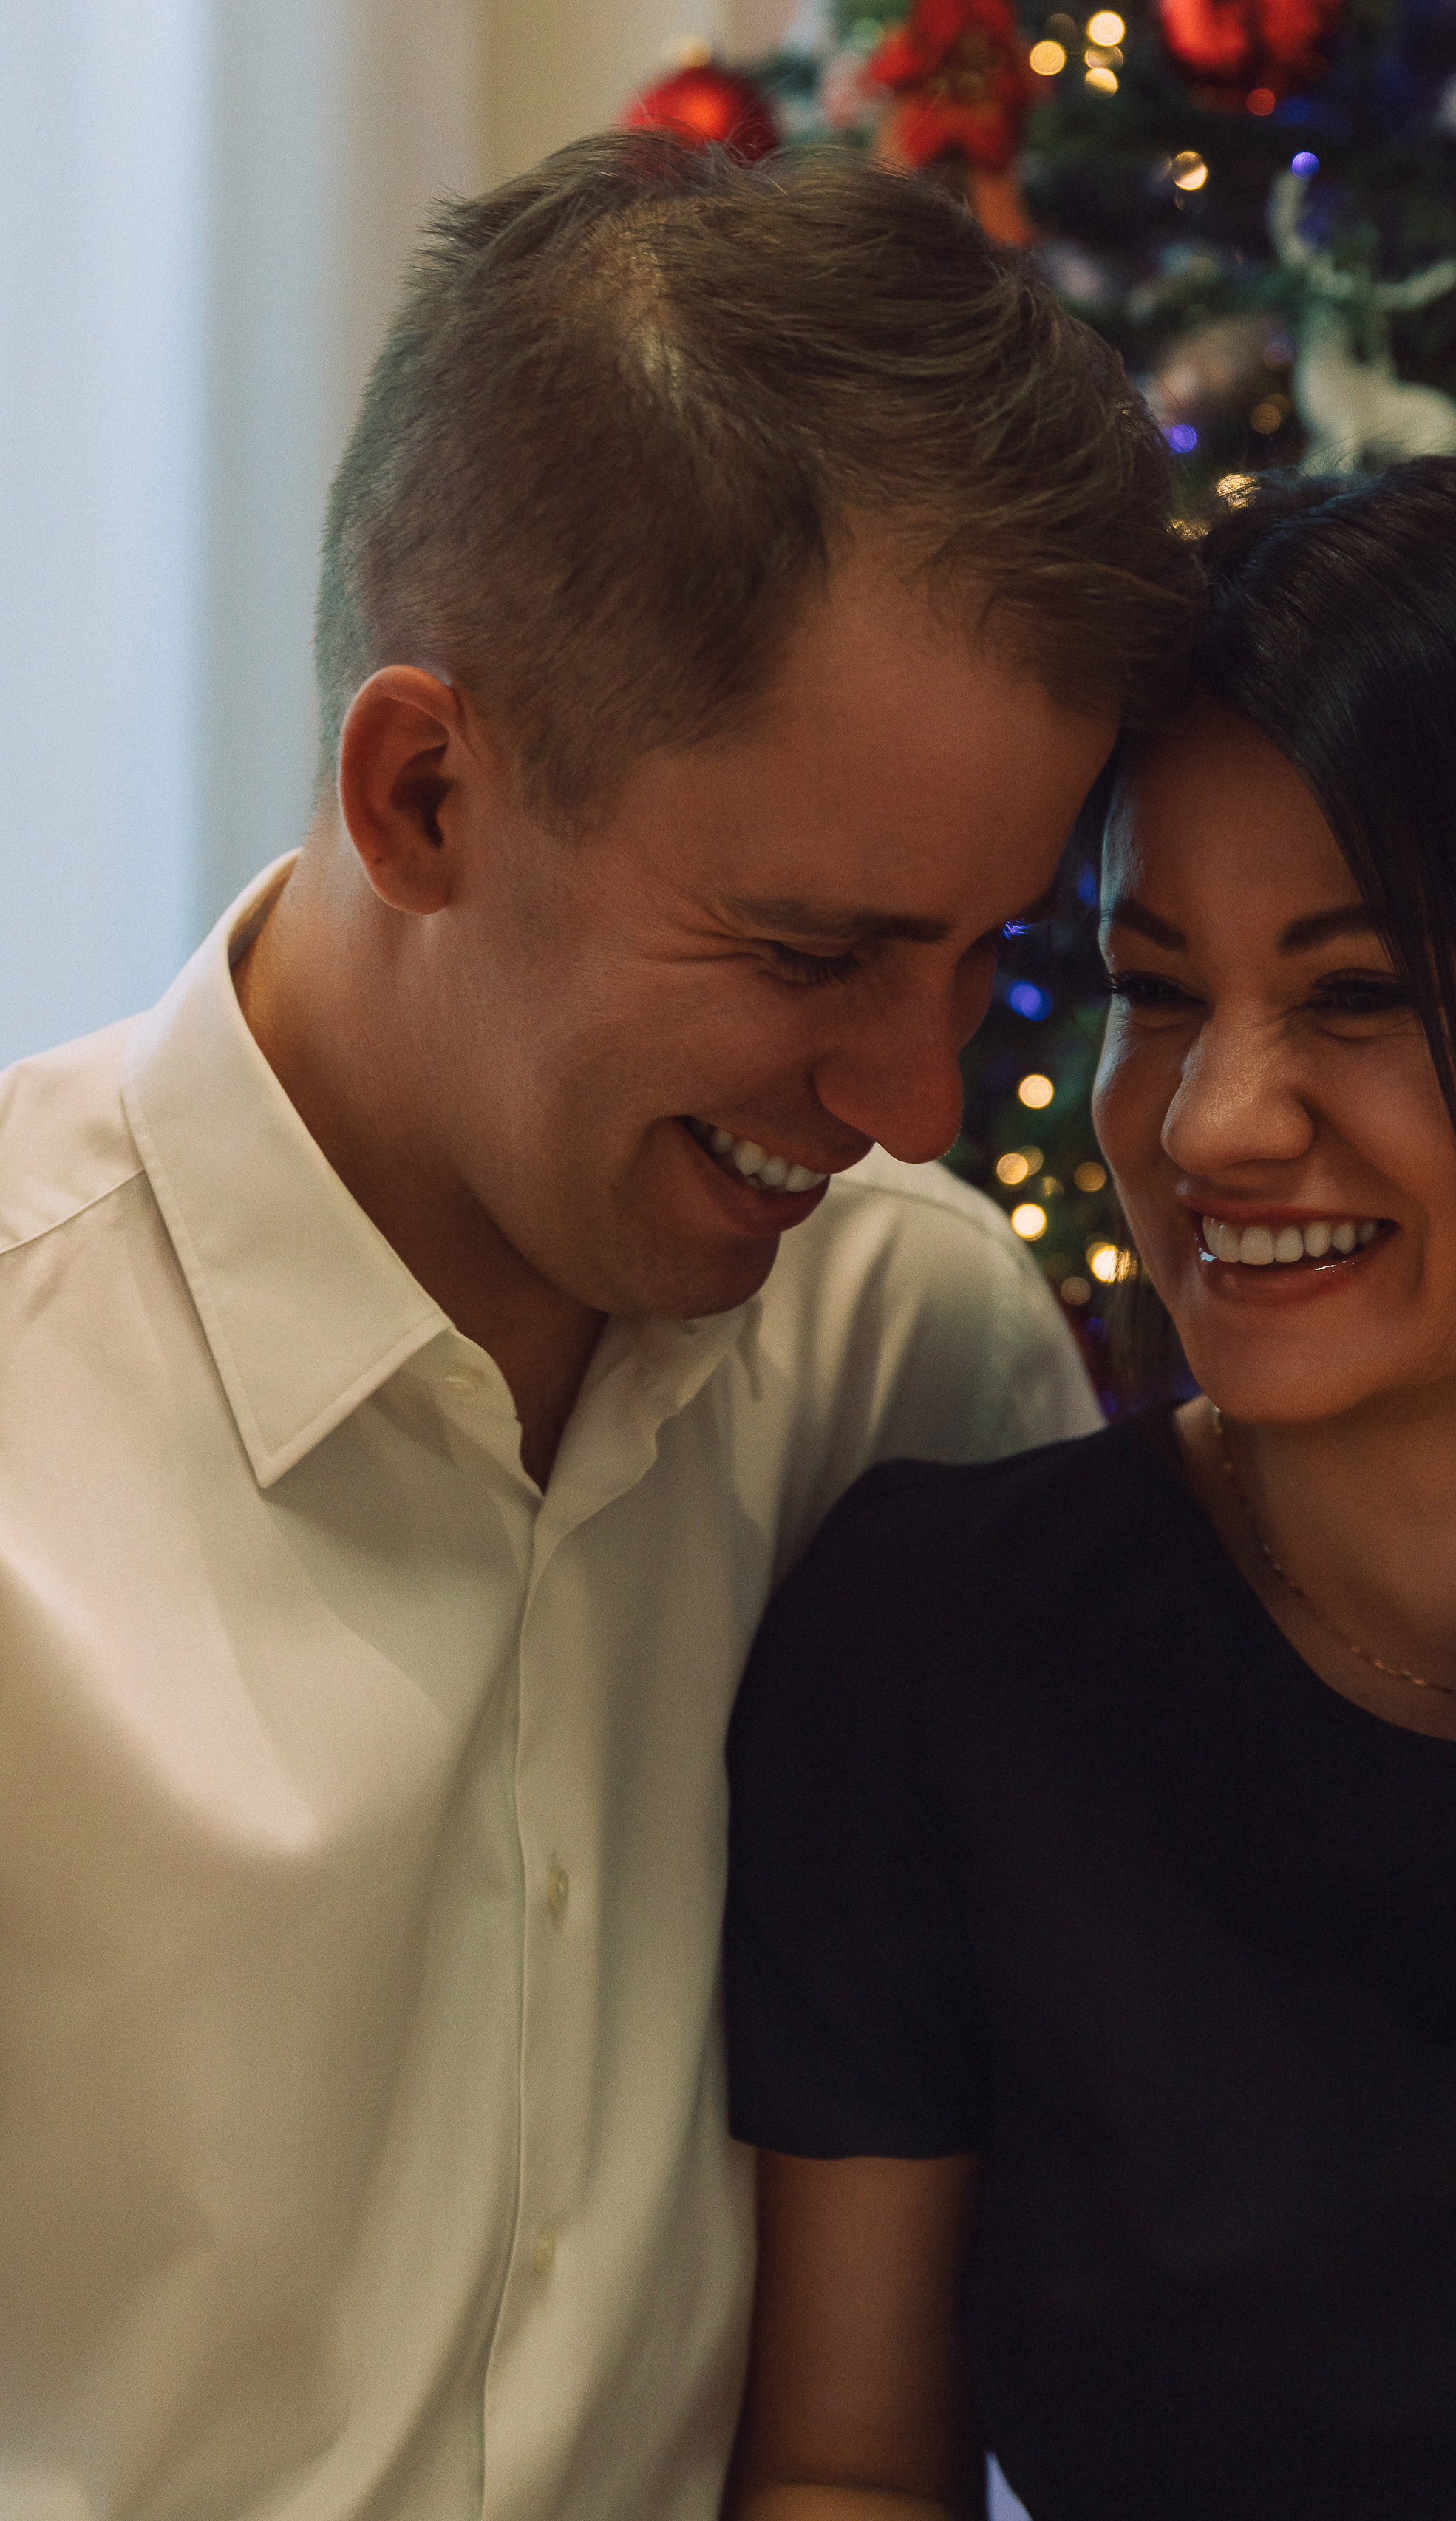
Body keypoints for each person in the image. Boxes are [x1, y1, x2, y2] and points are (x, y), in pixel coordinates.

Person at [0, 135, 1196, 2518]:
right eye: (810, 951)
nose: (909, 1099)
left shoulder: (924, 1363)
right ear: (425, 790)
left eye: (985, 961)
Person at [723, 456, 1456, 2520]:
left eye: (1361, 995)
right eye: (1154, 992)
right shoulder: (929, 1659)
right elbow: (845, 2472)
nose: (1216, 1120)